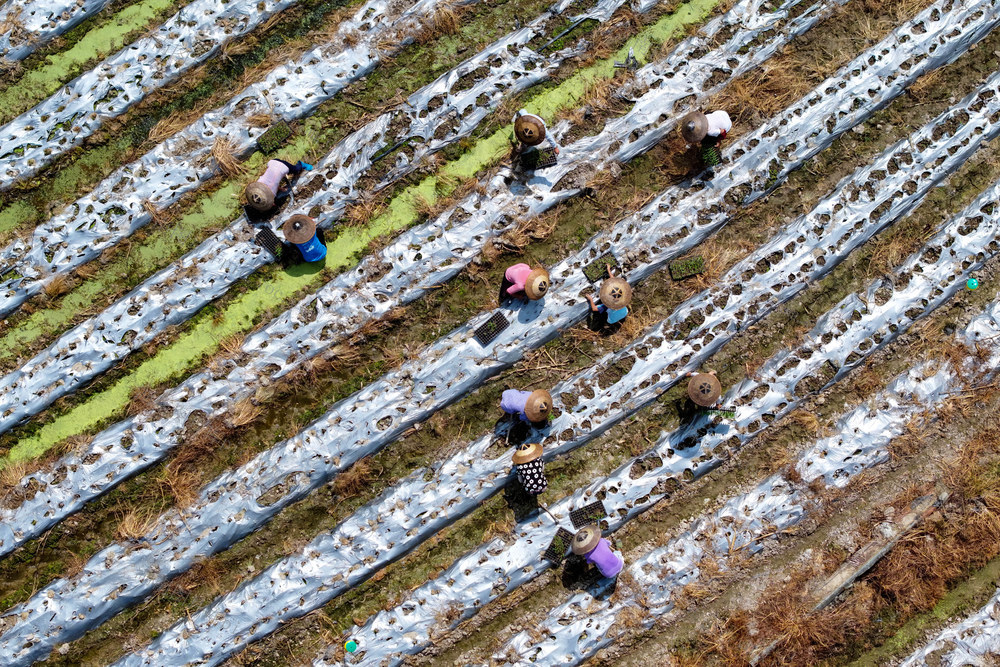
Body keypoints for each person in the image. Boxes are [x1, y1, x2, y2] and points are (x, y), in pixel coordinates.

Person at [245, 158, 313, 214]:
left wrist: (281, 190)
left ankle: (301, 164)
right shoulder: (258, 184)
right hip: (272, 161)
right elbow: (273, 184)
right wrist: (281, 189)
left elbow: (274, 189)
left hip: (284, 166)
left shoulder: (273, 193)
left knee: (295, 170)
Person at [679, 110, 732, 177]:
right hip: (721, 113)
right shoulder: (703, 118)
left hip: (727, 124)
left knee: (709, 140)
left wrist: (718, 141)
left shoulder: (711, 131)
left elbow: (723, 132)